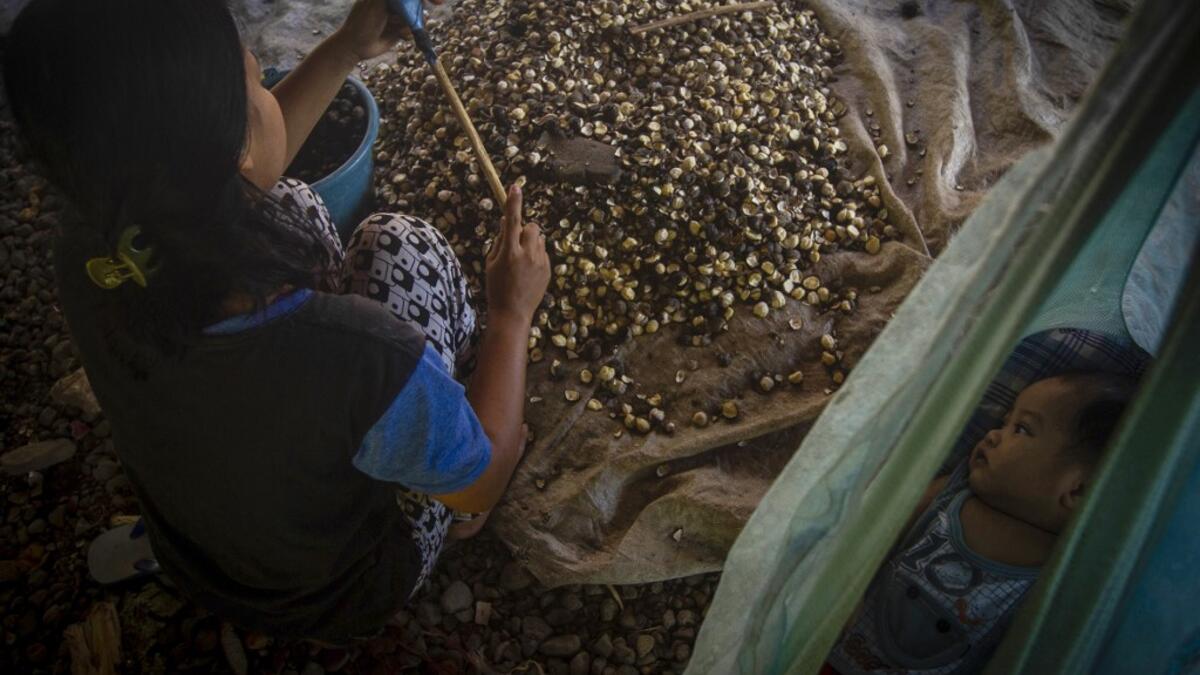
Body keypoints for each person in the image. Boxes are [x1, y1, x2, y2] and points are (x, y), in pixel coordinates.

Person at [2, 0, 550, 643]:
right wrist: (512, 314)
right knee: (405, 245)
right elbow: (483, 481)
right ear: (230, 147)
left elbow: (242, 170)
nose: (265, 84)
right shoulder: (363, 358)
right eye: (257, 80)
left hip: (203, 559)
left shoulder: (93, 254)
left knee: (285, 200)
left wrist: (345, 47)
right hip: (339, 589)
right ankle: (447, 519)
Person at [824, 371, 1137, 674]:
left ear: (1076, 490)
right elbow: (876, 530)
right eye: (1005, 421)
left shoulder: (1051, 584)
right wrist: (844, 593)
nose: (993, 434)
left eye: (1023, 429)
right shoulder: (951, 494)